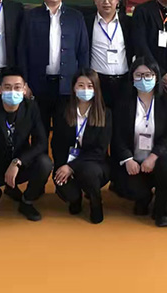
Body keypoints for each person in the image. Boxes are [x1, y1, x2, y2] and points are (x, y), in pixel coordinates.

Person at [0, 67, 53, 221]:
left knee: (45, 164)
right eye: (7, 87)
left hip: (19, 165)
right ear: (0, 90)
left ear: (25, 89)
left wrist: (18, 161)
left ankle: (26, 201)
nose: (12, 92)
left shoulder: (31, 108)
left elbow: (41, 143)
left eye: (17, 87)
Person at [111, 57, 167, 227]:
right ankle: (144, 197)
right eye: (139, 75)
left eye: (148, 75)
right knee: (127, 187)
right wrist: (128, 159)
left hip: (158, 159)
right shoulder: (123, 103)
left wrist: (154, 156)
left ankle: (161, 210)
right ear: (132, 78)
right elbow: (117, 135)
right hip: (134, 163)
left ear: (156, 77)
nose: (143, 79)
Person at [19, 0, 89, 132]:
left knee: (64, 132)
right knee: (38, 131)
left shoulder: (75, 17)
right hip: (38, 85)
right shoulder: (30, 16)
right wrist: (24, 82)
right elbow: (22, 51)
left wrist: (82, 83)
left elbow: (83, 52)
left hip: (67, 86)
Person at [51, 69, 112, 224]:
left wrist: (71, 167)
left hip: (94, 164)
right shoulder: (62, 111)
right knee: (65, 188)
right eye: (81, 85)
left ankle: (95, 201)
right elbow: (56, 143)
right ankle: (75, 199)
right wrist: (61, 166)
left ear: (96, 89)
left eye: (90, 86)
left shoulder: (105, 114)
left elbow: (100, 151)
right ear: (73, 87)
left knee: (89, 172)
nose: (85, 90)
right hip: (67, 162)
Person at [85, 0, 133, 115]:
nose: (106, 2)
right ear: (95, 0)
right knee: (99, 119)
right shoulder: (87, 22)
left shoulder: (128, 23)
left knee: (122, 120)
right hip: (97, 82)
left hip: (123, 82)